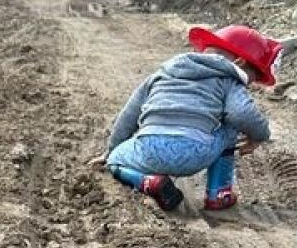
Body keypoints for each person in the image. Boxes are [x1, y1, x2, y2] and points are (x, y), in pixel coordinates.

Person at [91, 24, 283, 212]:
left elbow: (128, 115)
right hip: (196, 153)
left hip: (149, 149)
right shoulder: (228, 80)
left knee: (115, 160)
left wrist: (109, 152)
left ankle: (148, 181)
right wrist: (259, 135)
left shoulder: (161, 74)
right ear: (239, 62)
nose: (250, 84)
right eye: (252, 77)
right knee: (230, 123)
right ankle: (219, 194)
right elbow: (242, 113)